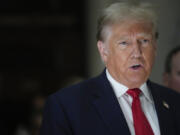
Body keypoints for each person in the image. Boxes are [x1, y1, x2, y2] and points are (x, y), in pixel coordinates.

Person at [40, 1, 180, 135]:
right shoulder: (67, 107)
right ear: (103, 50)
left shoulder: (174, 102)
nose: (137, 53)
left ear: (155, 47)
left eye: (144, 41)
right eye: (124, 43)